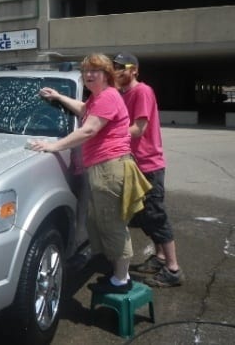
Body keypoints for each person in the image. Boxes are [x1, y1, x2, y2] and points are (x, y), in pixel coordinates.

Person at [25, 53, 151, 294]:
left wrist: (54, 145)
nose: (89, 75)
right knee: (102, 221)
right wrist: (60, 96)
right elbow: (84, 110)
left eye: (96, 71)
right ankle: (116, 273)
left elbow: (88, 130)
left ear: (107, 75)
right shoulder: (99, 98)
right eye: (86, 71)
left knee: (112, 223)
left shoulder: (109, 96)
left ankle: (121, 280)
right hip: (105, 168)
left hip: (110, 168)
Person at [113, 52, 184, 287]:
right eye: (116, 67)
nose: (118, 71)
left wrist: (105, 134)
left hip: (148, 164)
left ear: (134, 70)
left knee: (155, 215)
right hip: (133, 163)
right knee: (144, 216)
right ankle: (160, 257)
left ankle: (173, 269)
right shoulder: (122, 94)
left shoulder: (141, 91)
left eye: (122, 67)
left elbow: (139, 128)